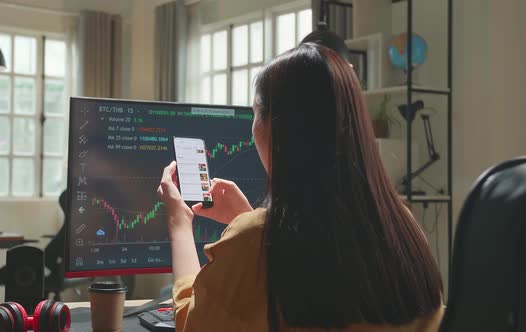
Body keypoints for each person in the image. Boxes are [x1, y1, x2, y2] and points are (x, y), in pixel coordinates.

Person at [157, 43, 444, 331]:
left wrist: (179, 223)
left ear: (276, 127)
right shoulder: (404, 228)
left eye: (255, 112)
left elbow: (191, 324)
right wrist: (245, 220)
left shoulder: (253, 239)